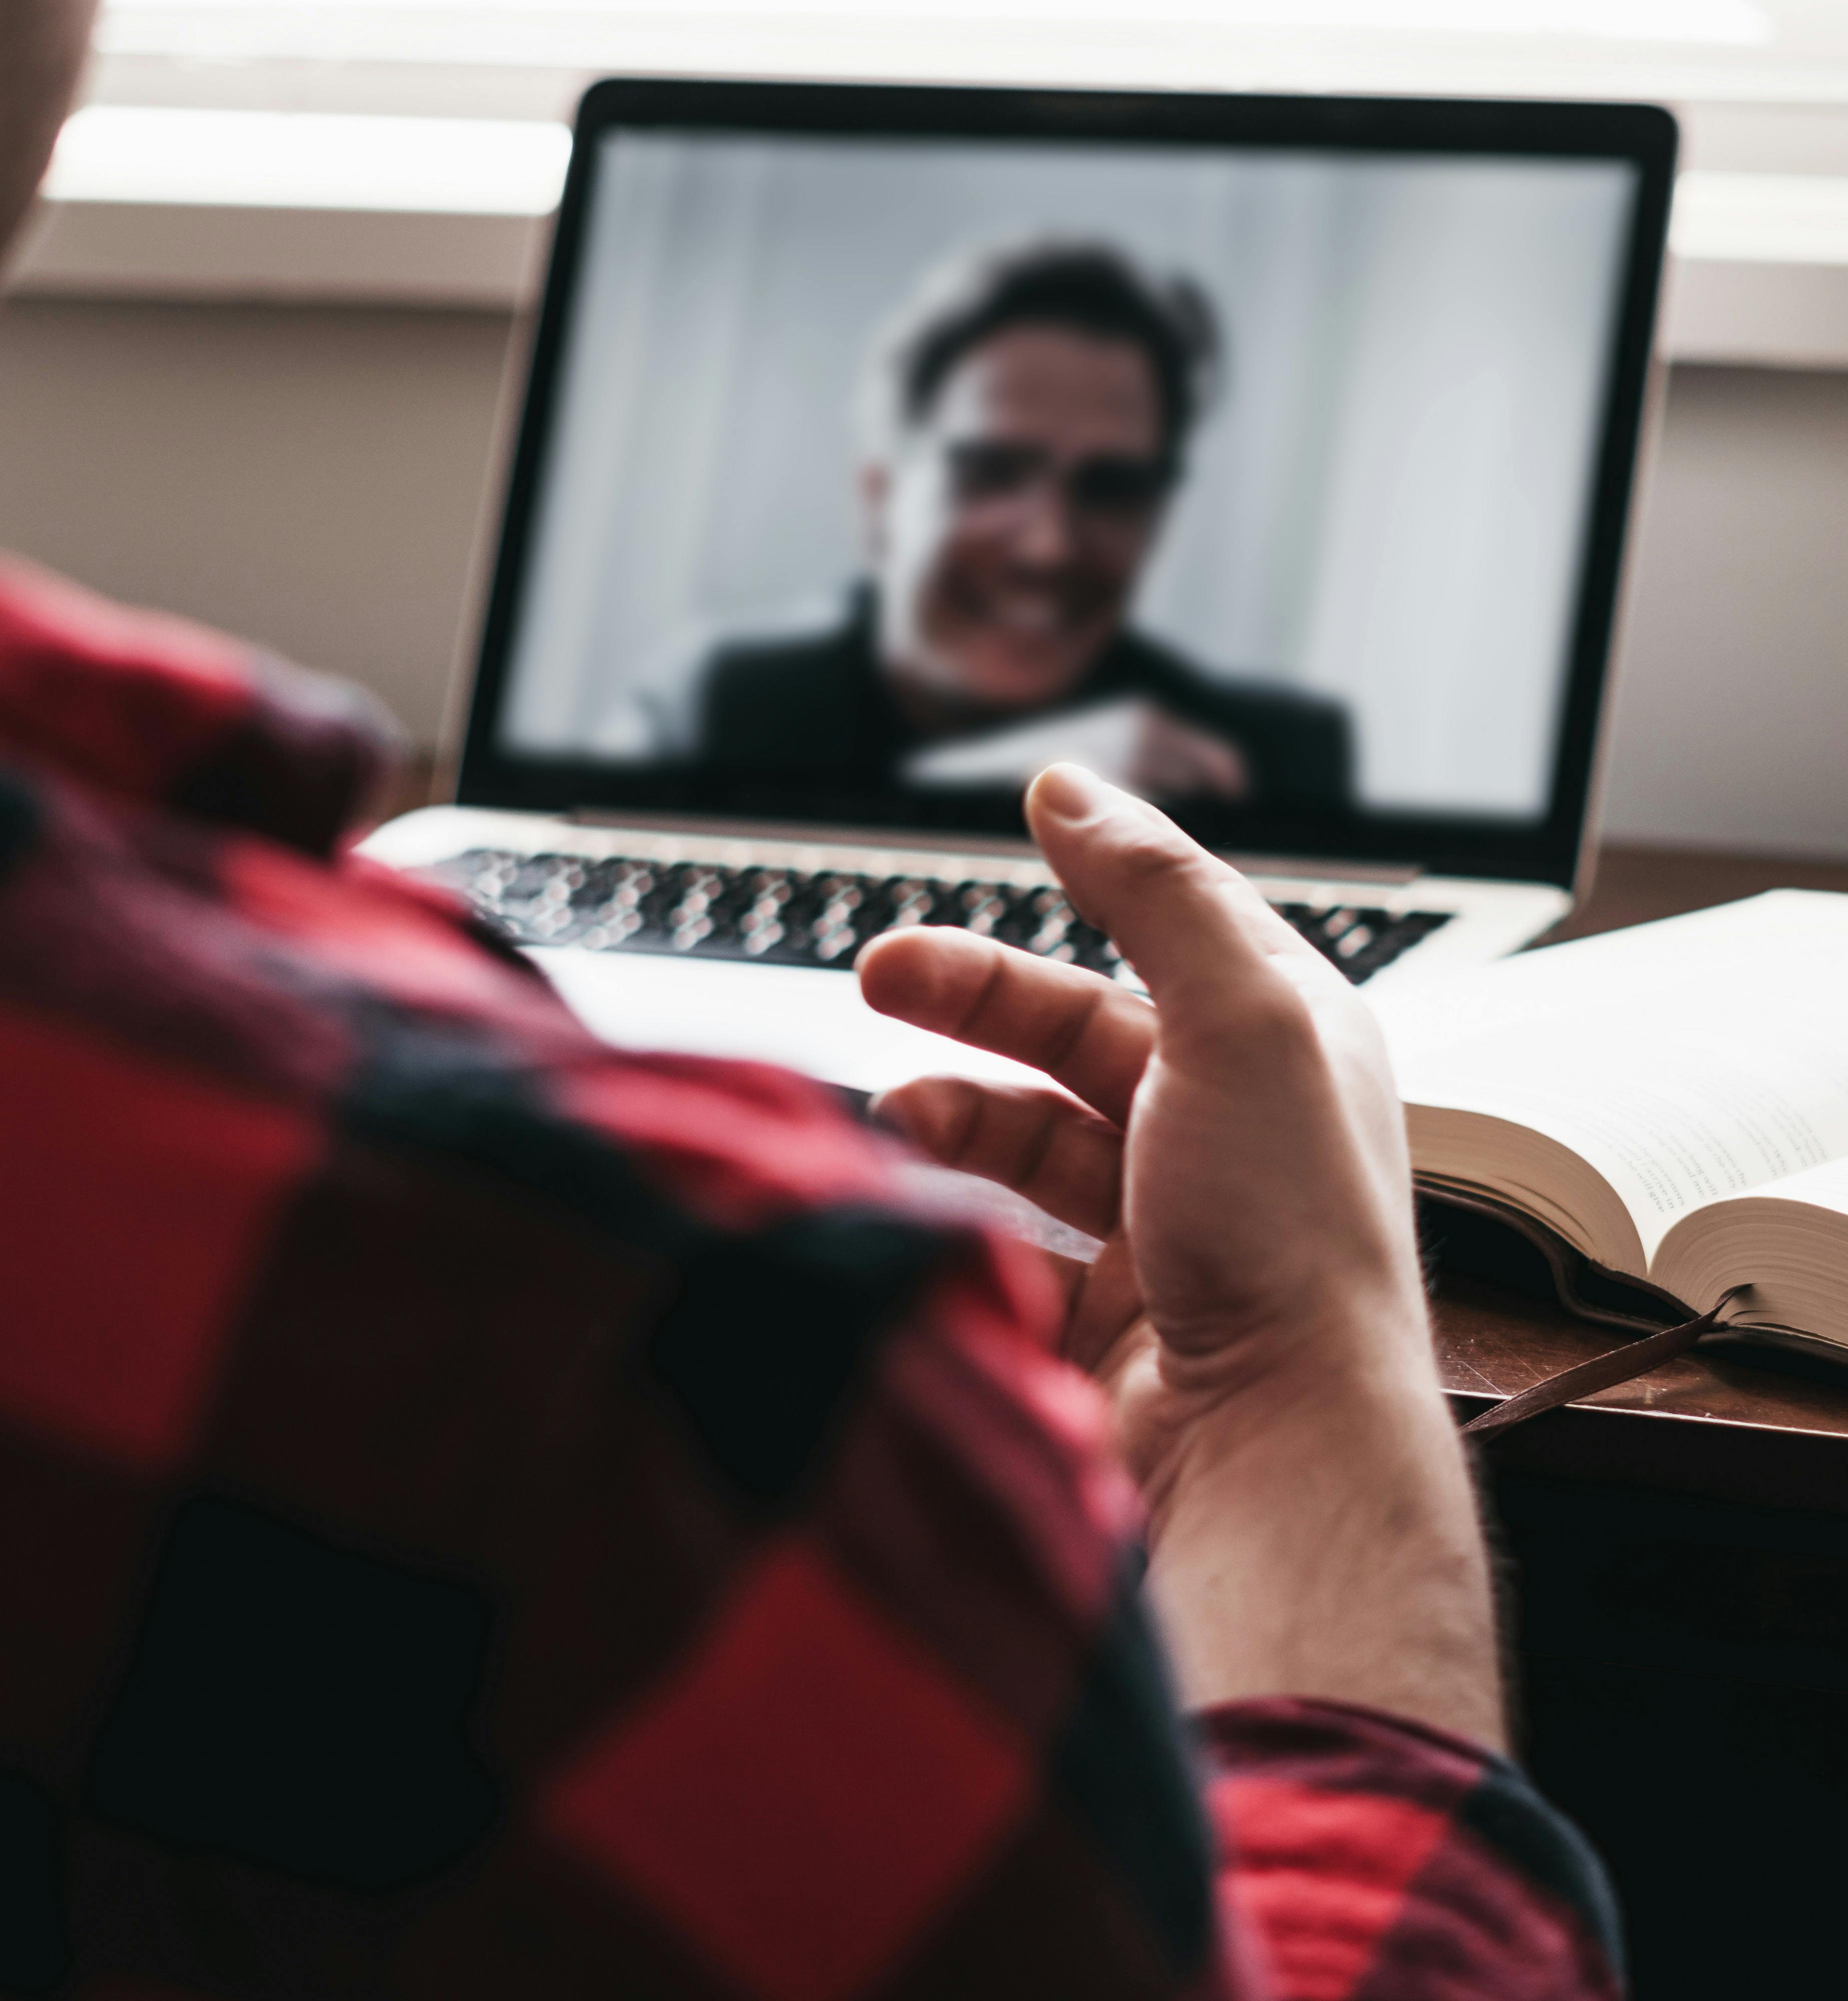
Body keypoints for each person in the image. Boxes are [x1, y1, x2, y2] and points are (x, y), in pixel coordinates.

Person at [0, 12, 1617, 1994]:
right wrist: (1313, 1389)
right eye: (994, 466)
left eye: (1109, 485)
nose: (1047, 530)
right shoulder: (662, 1351)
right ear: (885, 482)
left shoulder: (1265, 736)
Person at [695, 238, 1354, 809]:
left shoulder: (1276, 759)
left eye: (1113, 490)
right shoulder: (715, 709)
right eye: (991, 473)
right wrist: (982, 790)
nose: (1049, 548)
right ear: (881, 499)